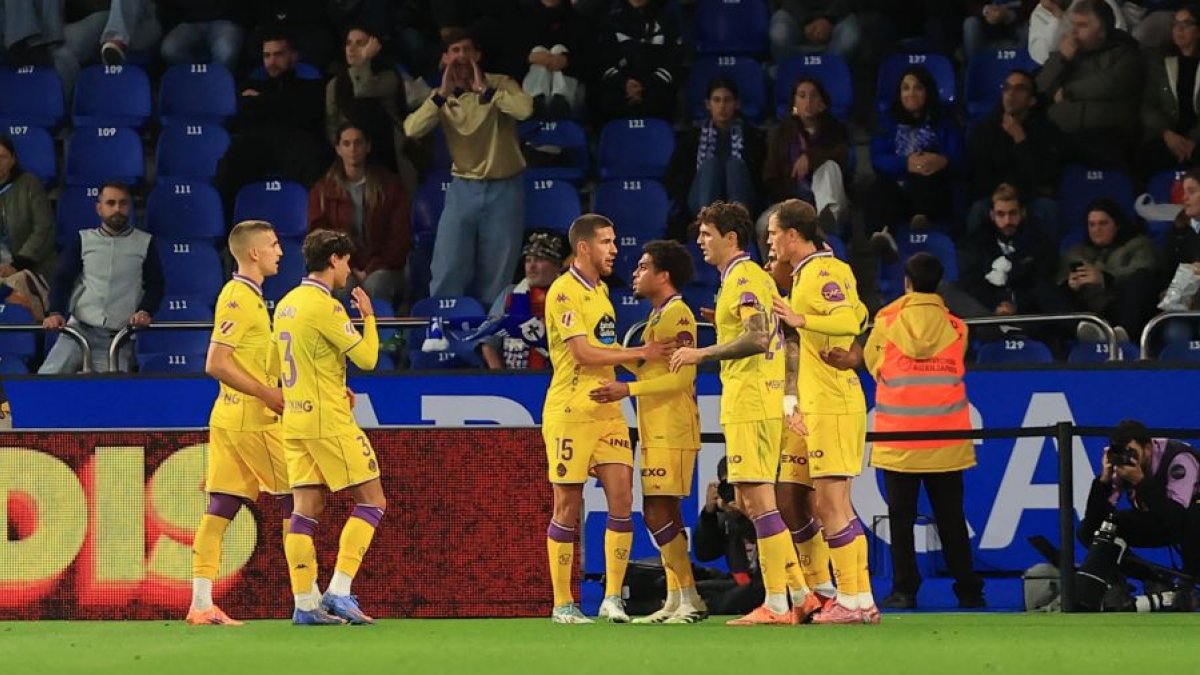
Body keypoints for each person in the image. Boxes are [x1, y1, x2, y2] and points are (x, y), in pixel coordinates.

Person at [670, 201, 818, 626]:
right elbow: (784, 335)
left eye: (707, 234)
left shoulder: (744, 277)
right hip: (760, 399)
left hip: (750, 401)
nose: (700, 241)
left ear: (731, 238)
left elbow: (757, 338)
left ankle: (776, 603)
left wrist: (702, 352)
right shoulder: (753, 278)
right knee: (756, 502)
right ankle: (801, 594)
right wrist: (788, 393)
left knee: (757, 502)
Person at [541, 214, 673, 624]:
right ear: (583, 247)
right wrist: (640, 353)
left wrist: (651, 368)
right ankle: (563, 603)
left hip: (608, 410)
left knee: (622, 499)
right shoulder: (563, 292)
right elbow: (582, 352)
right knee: (567, 506)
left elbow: (608, 345)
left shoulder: (600, 291)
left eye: (614, 241)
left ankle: (612, 598)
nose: (615, 249)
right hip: (571, 410)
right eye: (606, 242)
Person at [769, 199, 876, 624]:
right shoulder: (816, 271)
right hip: (827, 400)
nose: (771, 243)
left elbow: (848, 320)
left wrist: (801, 319)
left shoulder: (821, 271)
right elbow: (860, 313)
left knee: (831, 505)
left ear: (794, 235)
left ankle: (849, 598)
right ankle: (860, 598)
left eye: (774, 234)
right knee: (836, 506)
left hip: (832, 403)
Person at [589, 240, 707, 624]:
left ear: (663, 275)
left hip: (673, 427)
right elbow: (653, 370)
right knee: (663, 513)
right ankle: (676, 598)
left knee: (657, 513)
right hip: (657, 426)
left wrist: (628, 389)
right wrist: (616, 354)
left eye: (643, 267)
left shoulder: (678, 315)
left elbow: (682, 378)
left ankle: (690, 596)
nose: (635, 273)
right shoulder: (657, 317)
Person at [863, 252, 986, 610]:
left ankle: (905, 590)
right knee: (951, 519)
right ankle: (968, 590)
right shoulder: (957, 327)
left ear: (907, 282)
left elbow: (874, 365)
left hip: (899, 439)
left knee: (901, 522)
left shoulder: (886, 321)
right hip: (946, 439)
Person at [273, 229, 384, 625]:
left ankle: (305, 603)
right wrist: (368, 317)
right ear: (334, 260)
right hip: (327, 419)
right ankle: (339, 590)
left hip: (295, 420)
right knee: (372, 501)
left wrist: (331, 383)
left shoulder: (286, 303)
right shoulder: (326, 307)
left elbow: (279, 365)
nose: (348, 270)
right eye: (347, 262)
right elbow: (368, 359)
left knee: (306, 509)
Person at [186, 220, 287, 626]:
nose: (280, 251)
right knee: (303, 498)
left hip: (231, 415)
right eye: (274, 244)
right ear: (254, 253)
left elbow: (257, 360)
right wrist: (266, 394)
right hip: (252, 420)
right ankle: (309, 597)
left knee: (223, 505)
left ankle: (201, 604)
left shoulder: (252, 297)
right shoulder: (238, 297)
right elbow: (216, 362)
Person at [403, 29, 533, 308]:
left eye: (466, 50)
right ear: (444, 58)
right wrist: (441, 95)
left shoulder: (500, 83)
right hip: (463, 188)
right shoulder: (441, 96)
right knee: (448, 265)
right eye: (455, 51)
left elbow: (524, 110)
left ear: (477, 55)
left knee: (497, 273)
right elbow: (411, 129)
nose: (461, 56)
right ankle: (442, 325)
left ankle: (489, 330)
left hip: (504, 188)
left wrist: (486, 91)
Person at [764, 253, 839, 609]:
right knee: (793, 502)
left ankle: (835, 586)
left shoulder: (801, 300)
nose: (768, 266)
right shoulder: (775, 302)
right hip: (780, 406)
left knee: (808, 500)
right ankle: (821, 586)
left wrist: (791, 400)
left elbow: (798, 349)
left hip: (806, 405)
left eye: (773, 260)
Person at [39, 182, 163, 374]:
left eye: (123, 203)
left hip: (117, 338)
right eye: (110, 203)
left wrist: (145, 311)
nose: (117, 209)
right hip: (78, 331)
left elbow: (156, 285)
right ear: (99, 208)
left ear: (129, 207)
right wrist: (55, 311)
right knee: (47, 379)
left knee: (110, 389)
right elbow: (63, 279)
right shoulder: (83, 239)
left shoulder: (144, 242)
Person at [1076, 419, 1200, 611]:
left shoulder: (1179, 459)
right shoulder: (1122, 464)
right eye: (1122, 452)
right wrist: (1104, 481)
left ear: (1148, 447)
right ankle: (1154, 577)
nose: (1127, 458)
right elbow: (1094, 521)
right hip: (1158, 519)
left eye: (1132, 452)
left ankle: (1188, 586)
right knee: (1091, 530)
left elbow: (1175, 517)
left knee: (1195, 514)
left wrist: (1141, 481)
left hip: (1187, 522)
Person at [216, 32, 329, 208]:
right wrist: (279, 103)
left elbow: (306, 116)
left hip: (295, 144)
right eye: (267, 56)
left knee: (316, 160)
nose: (271, 61)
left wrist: (261, 101)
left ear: (293, 57)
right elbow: (241, 120)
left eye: (278, 54)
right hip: (258, 143)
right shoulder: (251, 85)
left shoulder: (310, 87)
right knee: (229, 163)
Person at [307, 125, 411, 307]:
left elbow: (399, 237)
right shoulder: (323, 191)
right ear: (338, 149)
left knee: (376, 283)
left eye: (358, 143)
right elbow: (321, 238)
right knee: (343, 285)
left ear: (368, 146)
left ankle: (381, 326)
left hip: (385, 267)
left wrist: (372, 267)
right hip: (343, 265)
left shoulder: (389, 186)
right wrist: (350, 266)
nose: (353, 149)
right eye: (346, 144)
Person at [1035, 0, 1144, 166]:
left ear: (1101, 31)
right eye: (1072, 24)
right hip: (1060, 133)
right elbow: (1039, 89)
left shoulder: (1125, 53)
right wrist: (1061, 59)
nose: (1073, 31)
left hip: (1108, 135)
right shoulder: (1065, 53)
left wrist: (1069, 91)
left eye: (1082, 25)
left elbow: (1111, 84)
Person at [868, 66, 963, 249]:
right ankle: (885, 236)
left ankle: (922, 221)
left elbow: (960, 158)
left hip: (933, 187)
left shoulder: (945, 121)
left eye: (918, 88)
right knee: (881, 187)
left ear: (928, 92)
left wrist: (943, 161)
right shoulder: (888, 121)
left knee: (927, 178)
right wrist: (906, 164)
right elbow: (878, 158)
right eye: (906, 88)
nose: (911, 93)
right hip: (899, 187)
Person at [965, 70, 1062, 236]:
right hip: (995, 197)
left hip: (1029, 197)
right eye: (1007, 88)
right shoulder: (984, 129)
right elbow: (978, 176)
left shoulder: (1046, 130)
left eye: (1019, 89)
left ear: (1031, 100)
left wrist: (1020, 140)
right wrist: (1002, 196)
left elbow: (1043, 177)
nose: (1011, 93)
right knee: (979, 209)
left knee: (1048, 208)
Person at [1051, 198, 1160, 343]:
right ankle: (1082, 330)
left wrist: (1105, 278)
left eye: (1103, 223)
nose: (1096, 230)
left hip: (1121, 307)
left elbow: (1147, 272)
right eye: (1092, 224)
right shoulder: (1075, 252)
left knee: (1141, 279)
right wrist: (1069, 286)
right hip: (1087, 312)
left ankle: (1122, 334)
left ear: (1117, 225)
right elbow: (1060, 283)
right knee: (1044, 288)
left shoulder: (1140, 245)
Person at [950, 183, 1059, 323]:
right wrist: (996, 305)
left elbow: (1042, 282)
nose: (1007, 221)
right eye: (1001, 214)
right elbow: (971, 283)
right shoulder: (975, 243)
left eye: (1013, 213)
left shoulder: (1039, 242)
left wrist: (1016, 306)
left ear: (1022, 213)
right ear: (992, 215)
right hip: (987, 314)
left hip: (1029, 315)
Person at [326, 25, 415, 192]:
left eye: (360, 43)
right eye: (348, 43)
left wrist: (364, 60)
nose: (351, 48)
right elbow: (332, 122)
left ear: (375, 47)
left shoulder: (388, 76)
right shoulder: (335, 84)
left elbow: (363, 89)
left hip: (388, 152)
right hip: (350, 155)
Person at [762, 77, 851, 241]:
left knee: (829, 167)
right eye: (802, 96)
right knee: (762, 226)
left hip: (833, 201)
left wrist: (810, 158)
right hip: (791, 201)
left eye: (813, 96)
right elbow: (770, 176)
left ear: (822, 102)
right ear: (794, 102)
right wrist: (790, 202)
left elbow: (843, 157)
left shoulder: (835, 129)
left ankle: (826, 221)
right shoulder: (781, 134)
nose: (808, 101)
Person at [667, 76, 766, 223]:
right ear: (708, 104)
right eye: (717, 100)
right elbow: (676, 176)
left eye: (727, 100)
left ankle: (737, 223)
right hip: (700, 199)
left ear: (737, 104)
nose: (722, 106)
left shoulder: (752, 136)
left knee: (735, 165)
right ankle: (708, 222)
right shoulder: (692, 137)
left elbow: (760, 178)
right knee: (710, 165)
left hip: (742, 199)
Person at [479, 229, 566, 370]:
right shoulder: (509, 294)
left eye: (539, 260)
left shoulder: (571, 295)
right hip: (515, 376)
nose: (531, 267)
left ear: (557, 266)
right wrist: (500, 378)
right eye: (528, 260)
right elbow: (489, 344)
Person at [693, 457, 765, 616]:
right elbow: (704, 554)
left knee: (722, 601)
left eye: (740, 486)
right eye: (729, 486)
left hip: (767, 585)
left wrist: (745, 514)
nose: (735, 492)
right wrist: (709, 515)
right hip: (740, 582)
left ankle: (703, 607)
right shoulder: (727, 516)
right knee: (689, 589)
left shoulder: (768, 510)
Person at [595, 0, 682, 121]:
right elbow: (602, 61)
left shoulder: (667, 18)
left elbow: (673, 60)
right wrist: (624, 83)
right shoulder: (608, 18)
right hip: (618, 94)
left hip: (657, 95)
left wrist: (645, 87)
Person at [1141, 4, 1200, 176]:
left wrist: (1192, 141)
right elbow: (1147, 105)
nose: (1179, 29)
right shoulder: (1160, 61)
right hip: (1168, 134)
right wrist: (1167, 134)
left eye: (1186, 24)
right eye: (1175, 24)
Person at [0, 135, 55, 320]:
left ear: (13, 159)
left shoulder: (30, 184)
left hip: (30, 267)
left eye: (2, 157)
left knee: (17, 289)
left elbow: (43, 228)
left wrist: (17, 264)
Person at [518, 0, 589, 119]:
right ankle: (536, 102)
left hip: (571, 90)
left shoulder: (578, 20)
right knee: (538, 51)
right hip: (527, 90)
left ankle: (561, 101)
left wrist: (566, 61)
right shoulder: (521, 16)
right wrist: (529, 57)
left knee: (559, 49)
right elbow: (508, 57)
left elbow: (589, 61)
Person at [1159, 168, 1200, 344]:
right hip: (1184, 308)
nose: (1185, 198)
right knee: (1174, 333)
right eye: (1184, 193)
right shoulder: (1178, 232)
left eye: (1191, 192)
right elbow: (1165, 272)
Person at [1028, 0, 1127, 65]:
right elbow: (1042, 57)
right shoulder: (1039, 13)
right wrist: (1056, 16)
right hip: (1069, 69)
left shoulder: (1097, 2)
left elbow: (1120, 30)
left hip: (1105, 58)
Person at [157, 0, 247, 71]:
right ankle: (196, 77)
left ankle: (218, 82)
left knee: (225, 49)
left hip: (225, 20)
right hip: (189, 22)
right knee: (169, 49)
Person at [769, 0, 862, 62]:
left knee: (849, 36)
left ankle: (831, 71)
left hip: (837, 13)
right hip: (794, 13)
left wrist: (829, 19)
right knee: (779, 34)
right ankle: (787, 72)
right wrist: (805, 21)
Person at [963, 1, 1035, 57]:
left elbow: (1034, 6)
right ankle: (975, 67)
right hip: (988, 23)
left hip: (1020, 20)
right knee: (970, 23)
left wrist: (1009, 15)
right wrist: (986, 11)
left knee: (1031, 26)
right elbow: (969, 5)